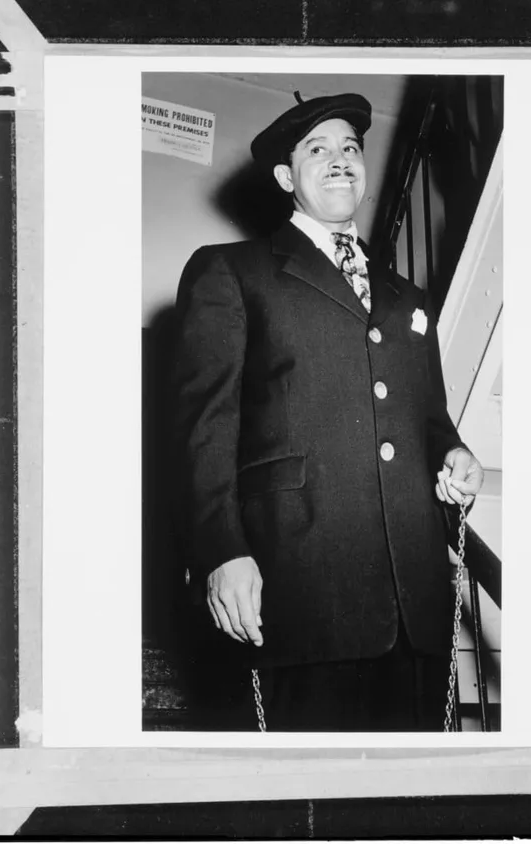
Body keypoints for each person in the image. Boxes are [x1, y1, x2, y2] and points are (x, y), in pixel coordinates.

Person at [172, 92, 484, 732]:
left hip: (416, 608)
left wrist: (455, 455)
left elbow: (430, 421)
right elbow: (205, 428)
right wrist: (221, 551)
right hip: (300, 594)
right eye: (317, 149)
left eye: (351, 148)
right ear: (286, 177)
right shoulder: (231, 271)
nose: (340, 159)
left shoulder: (409, 299)